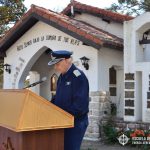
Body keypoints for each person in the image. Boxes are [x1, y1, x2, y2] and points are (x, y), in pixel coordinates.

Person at [48, 50, 89, 150]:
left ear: (67, 60)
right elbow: (58, 97)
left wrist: (62, 116)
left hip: (75, 123)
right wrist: (47, 106)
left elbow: (80, 106)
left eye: (57, 64)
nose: (55, 67)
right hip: (63, 121)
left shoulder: (78, 77)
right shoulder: (62, 76)